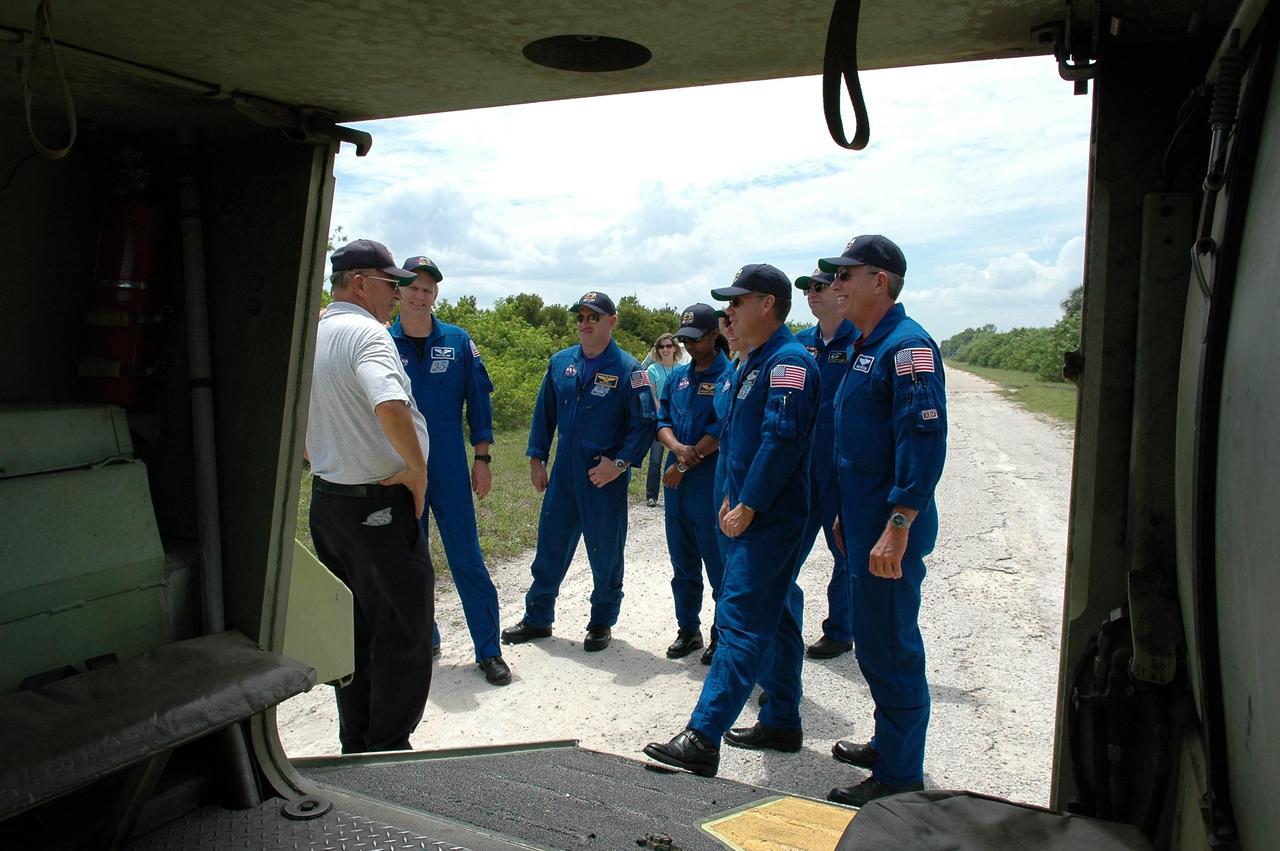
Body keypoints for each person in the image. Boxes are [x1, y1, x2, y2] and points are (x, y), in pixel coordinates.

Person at [644, 264, 819, 777]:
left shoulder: (788, 362)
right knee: (780, 616)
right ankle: (783, 718)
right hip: (748, 508)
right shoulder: (751, 362)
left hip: (770, 517)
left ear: (766, 304)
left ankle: (703, 736)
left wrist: (751, 504)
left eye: (736, 304)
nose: (728, 315)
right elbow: (738, 441)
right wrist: (730, 497)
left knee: (738, 619)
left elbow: (780, 441)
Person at [821, 235, 947, 807]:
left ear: (881, 281)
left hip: (889, 532)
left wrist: (897, 525)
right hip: (865, 525)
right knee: (872, 643)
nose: (837, 285)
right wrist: (849, 515)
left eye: (848, 274)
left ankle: (900, 777)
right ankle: (886, 741)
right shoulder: (868, 344)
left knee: (892, 647)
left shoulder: (909, 346)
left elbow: (921, 440)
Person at [306, 238, 433, 753]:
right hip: (377, 506)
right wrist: (416, 471)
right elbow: (389, 405)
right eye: (392, 284)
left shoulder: (312, 334)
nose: (399, 295)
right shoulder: (368, 336)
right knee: (402, 629)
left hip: (330, 503)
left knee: (352, 628)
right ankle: (389, 748)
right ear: (360, 283)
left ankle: (356, 741)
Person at [501, 291, 656, 652]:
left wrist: (618, 465)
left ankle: (601, 621)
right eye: (581, 317)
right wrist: (536, 458)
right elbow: (544, 415)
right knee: (549, 549)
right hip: (564, 476)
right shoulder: (561, 363)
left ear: (611, 322)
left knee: (605, 554)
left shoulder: (632, 371)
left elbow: (645, 424)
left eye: (594, 317)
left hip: (602, 478)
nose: (585, 323)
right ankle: (538, 618)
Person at [388, 255, 511, 686]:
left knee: (466, 557)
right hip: (401, 468)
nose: (420, 296)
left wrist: (483, 460)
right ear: (398, 291)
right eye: (413, 288)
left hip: (449, 467)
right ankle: (426, 638)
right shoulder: (383, 342)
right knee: (411, 559)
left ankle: (489, 650)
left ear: (436, 293)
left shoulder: (457, 342)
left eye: (428, 289)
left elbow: (479, 402)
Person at [655, 305, 732, 661]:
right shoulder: (679, 378)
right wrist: (675, 448)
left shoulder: (727, 376)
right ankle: (689, 630)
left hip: (708, 483)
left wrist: (684, 464)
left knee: (717, 564)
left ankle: (723, 635)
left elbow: (720, 429)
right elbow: (662, 419)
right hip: (677, 485)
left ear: (714, 335)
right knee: (682, 563)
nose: (688, 344)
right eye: (683, 338)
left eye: (694, 338)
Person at [792, 268, 858, 659]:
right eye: (807, 289)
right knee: (785, 550)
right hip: (802, 468)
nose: (812, 294)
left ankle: (840, 629)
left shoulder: (860, 342)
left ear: (839, 290)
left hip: (839, 470)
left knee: (844, 552)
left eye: (819, 287)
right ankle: (780, 628)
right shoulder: (799, 345)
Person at [644, 333, 681, 507]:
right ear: (657, 350)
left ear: (674, 348)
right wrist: (663, 414)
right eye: (661, 347)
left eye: (668, 346)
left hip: (678, 420)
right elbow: (653, 398)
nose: (665, 349)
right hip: (659, 420)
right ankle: (652, 496)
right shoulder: (652, 370)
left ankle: (676, 494)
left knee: (679, 457)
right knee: (655, 460)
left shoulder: (682, 369)